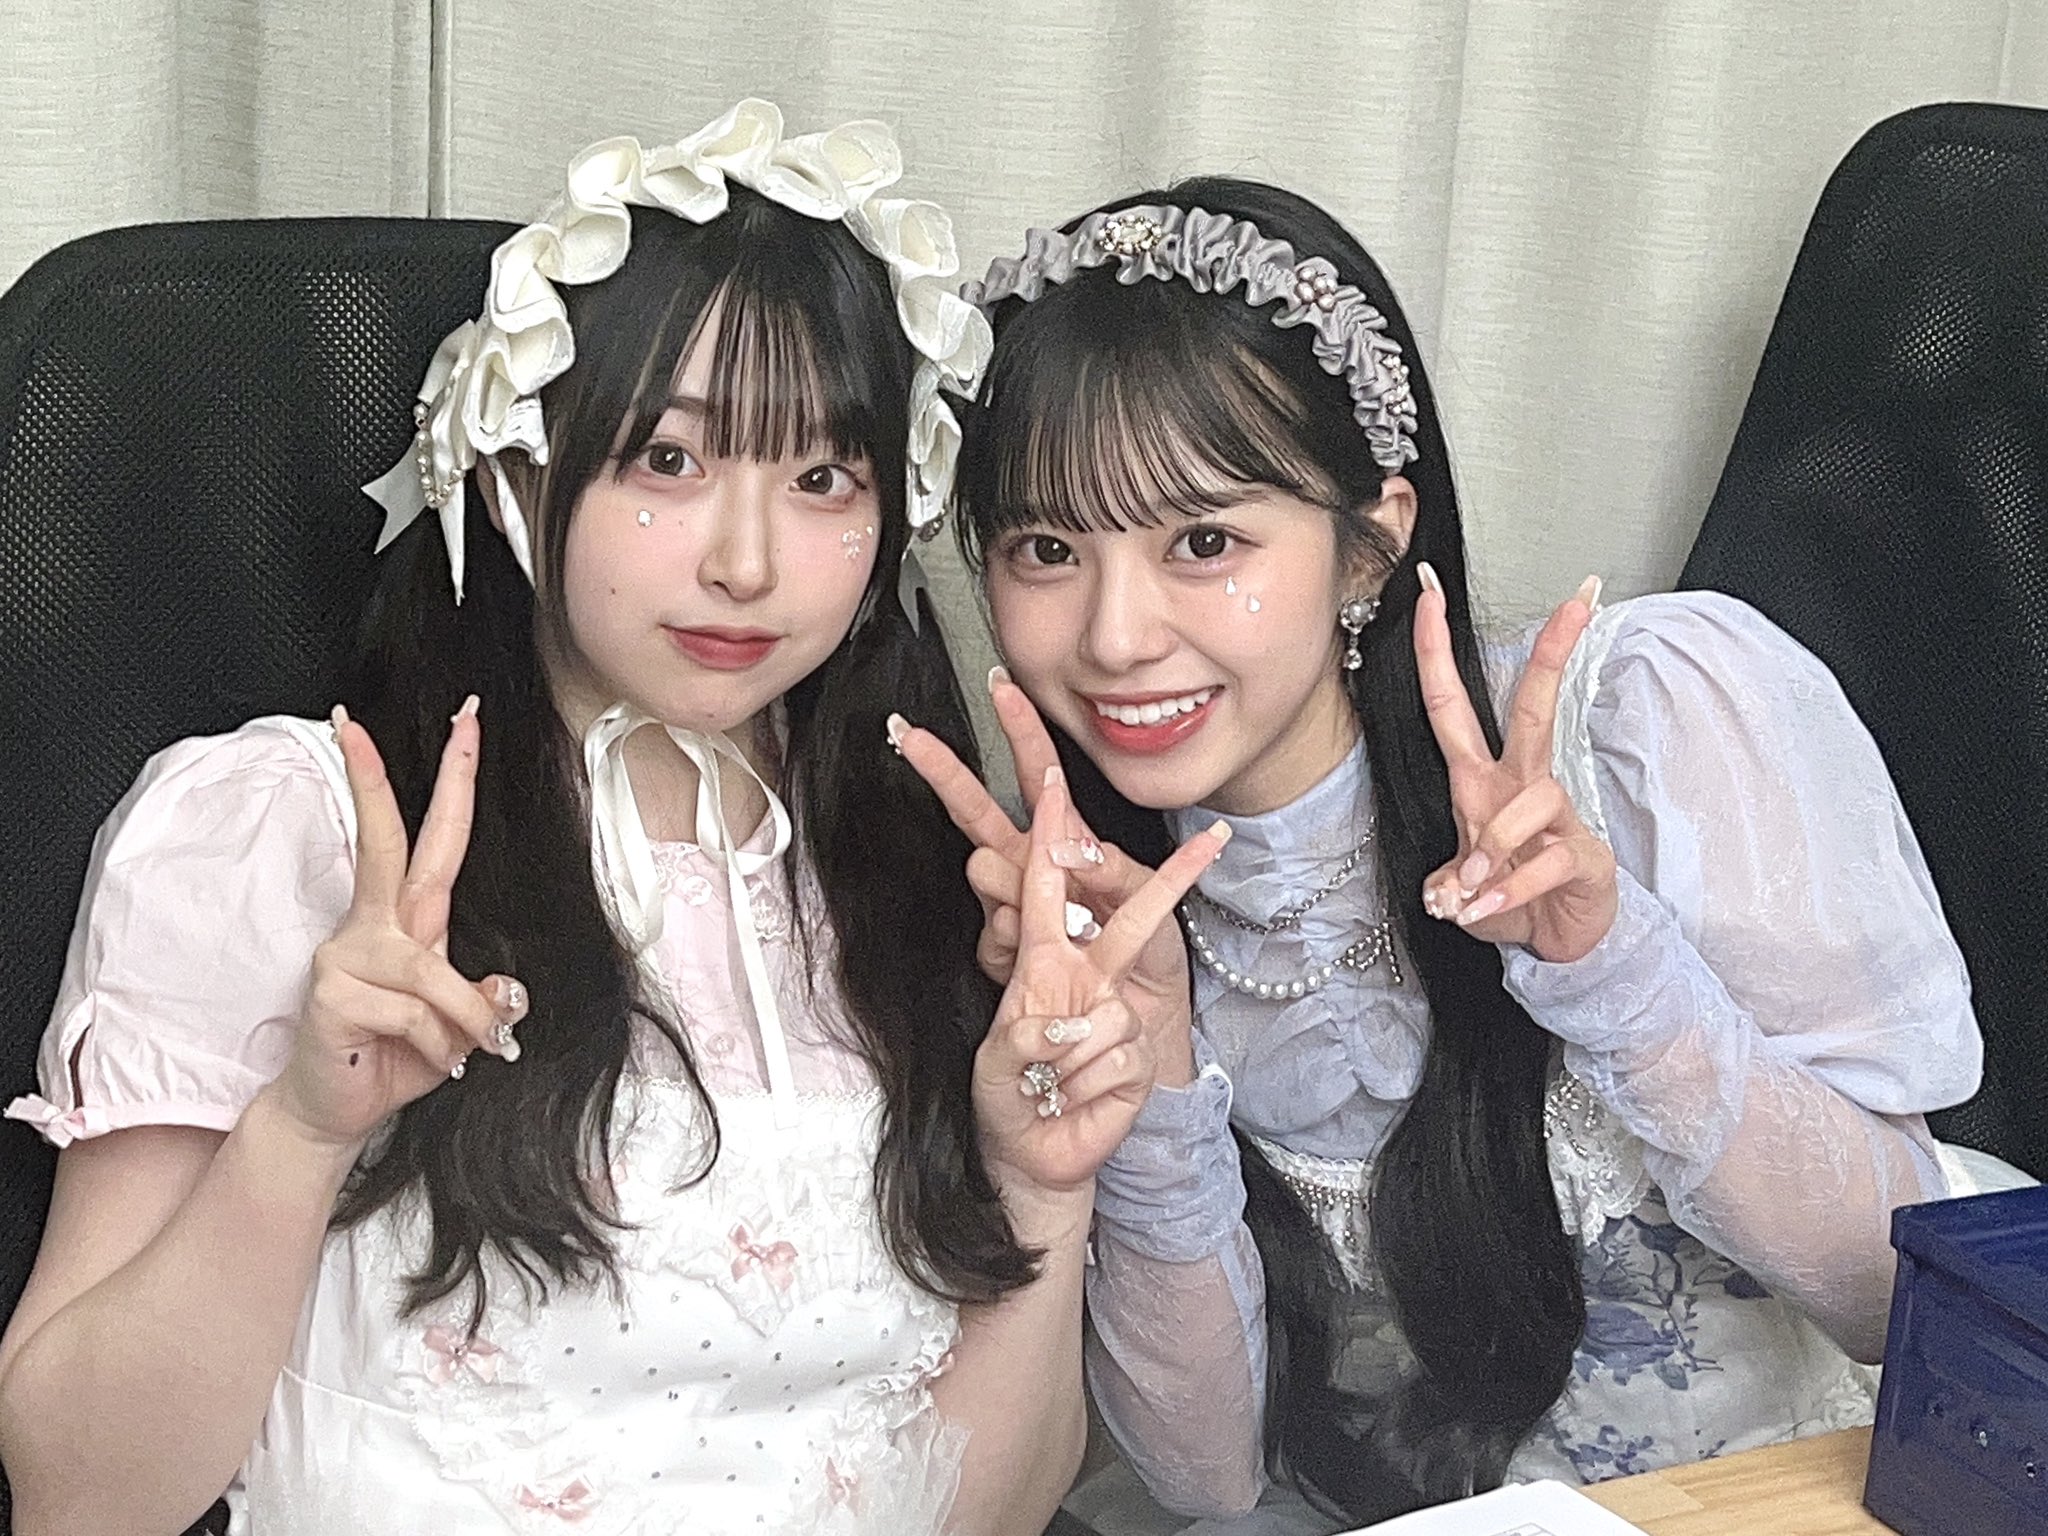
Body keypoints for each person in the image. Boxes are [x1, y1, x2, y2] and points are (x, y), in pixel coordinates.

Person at [0, 103, 1224, 1536]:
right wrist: (301, 1131)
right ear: (517, 472)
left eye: (822, 478)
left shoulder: (920, 871)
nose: (748, 563)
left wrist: (1041, 1186)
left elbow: (984, 1517)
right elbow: (80, 1501)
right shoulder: (290, 833)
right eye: (669, 462)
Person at [892, 177, 1986, 1530]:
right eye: (1047, 549)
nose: (1116, 637)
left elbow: (1897, 1296)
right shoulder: (1091, 923)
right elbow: (1207, 1484)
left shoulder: (1646, 720)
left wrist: (1615, 973)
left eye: (1205, 541)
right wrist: (1154, 1078)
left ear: (1370, 548)